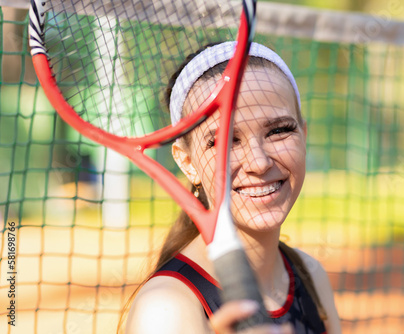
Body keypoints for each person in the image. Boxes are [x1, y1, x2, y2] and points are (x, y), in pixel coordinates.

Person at [123, 42, 342, 334]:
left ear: (304, 134)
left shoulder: (310, 274)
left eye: (279, 131)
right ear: (187, 162)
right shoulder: (166, 308)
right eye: (225, 141)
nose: (259, 162)